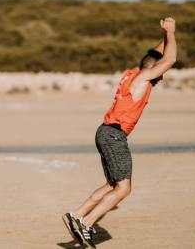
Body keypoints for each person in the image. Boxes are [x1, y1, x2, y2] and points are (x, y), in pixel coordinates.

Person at [62, 18, 178, 247]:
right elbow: (169, 59)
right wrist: (172, 33)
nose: (162, 77)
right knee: (124, 188)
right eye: (159, 72)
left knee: (112, 185)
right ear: (152, 69)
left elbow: (154, 55)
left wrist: (165, 34)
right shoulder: (143, 78)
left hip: (104, 132)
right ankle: (86, 224)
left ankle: (77, 215)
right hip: (114, 135)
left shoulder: (133, 73)